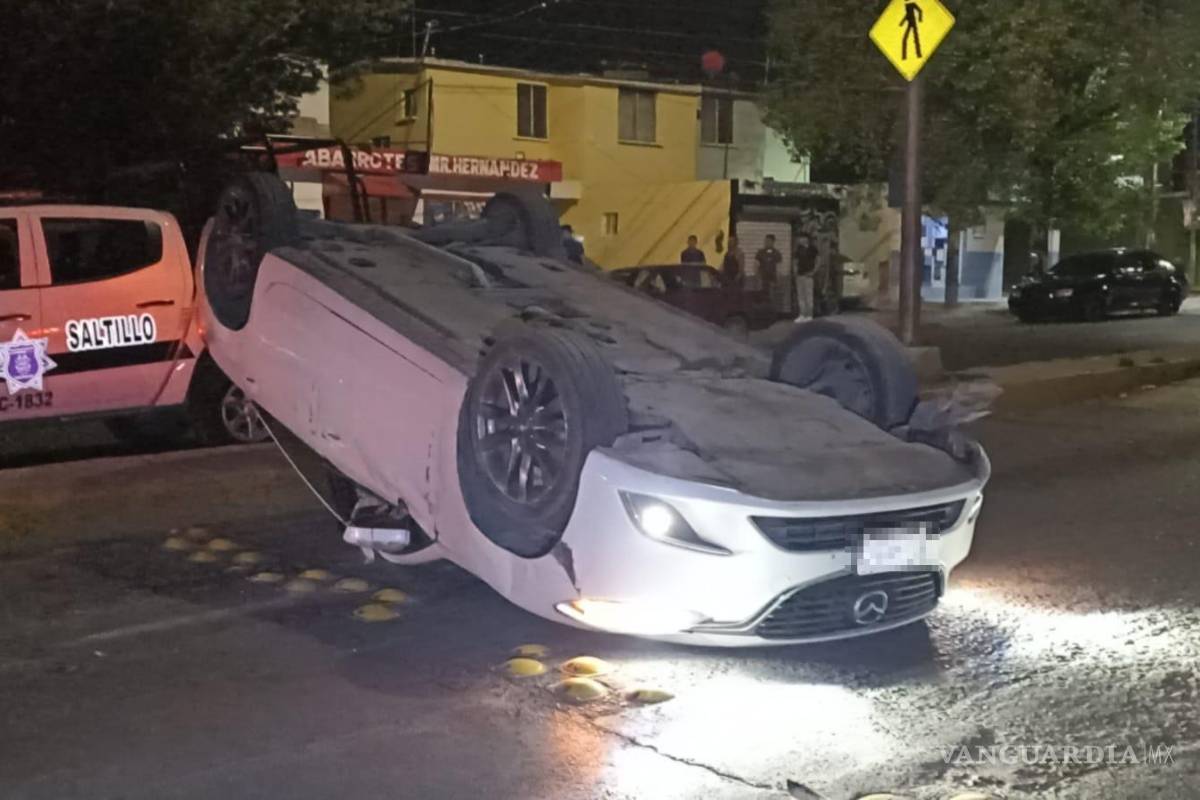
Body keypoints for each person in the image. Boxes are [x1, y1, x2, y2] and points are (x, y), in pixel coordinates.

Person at [794, 234, 818, 320]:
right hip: (799, 275)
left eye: (802, 238)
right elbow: (796, 261)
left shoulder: (812, 249)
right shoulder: (798, 249)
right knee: (801, 296)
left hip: (808, 275)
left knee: (808, 295)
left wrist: (814, 271)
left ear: (806, 239)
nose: (800, 239)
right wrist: (795, 271)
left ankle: (809, 314)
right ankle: (802, 314)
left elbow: (818, 260)